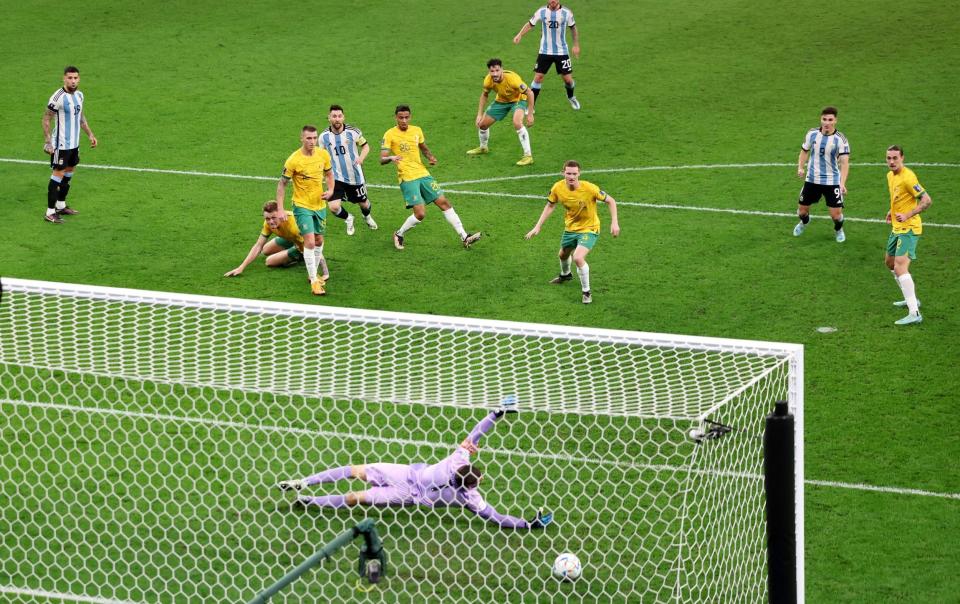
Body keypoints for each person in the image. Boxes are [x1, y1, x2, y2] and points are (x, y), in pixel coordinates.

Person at [278, 400, 553, 530]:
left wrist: (495, 413)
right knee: (355, 489)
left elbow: (476, 433)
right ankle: (306, 491)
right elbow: (497, 517)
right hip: (405, 479)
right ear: (473, 482)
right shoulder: (470, 497)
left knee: (354, 481)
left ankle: (308, 493)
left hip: (405, 491)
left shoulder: (459, 461)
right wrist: (527, 524)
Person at [380, 105, 482, 250]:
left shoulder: (417, 130)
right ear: (395, 117)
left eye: (406, 117)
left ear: (410, 117)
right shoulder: (389, 134)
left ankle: (464, 237)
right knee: (420, 214)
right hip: (407, 178)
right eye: (401, 117)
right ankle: (399, 234)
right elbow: (382, 159)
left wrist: (430, 157)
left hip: (423, 174)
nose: (404, 120)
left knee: (444, 202)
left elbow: (423, 147)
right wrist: (391, 157)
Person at [525, 160, 620, 304]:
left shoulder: (589, 188)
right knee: (563, 254)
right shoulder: (557, 187)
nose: (571, 176)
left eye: (575, 174)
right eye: (568, 173)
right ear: (563, 173)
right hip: (570, 228)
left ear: (579, 174)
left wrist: (614, 222)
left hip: (590, 228)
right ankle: (565, 275)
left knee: (578, 257)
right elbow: (550, 206)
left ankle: (586, 292)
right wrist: (538, 226)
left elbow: (611, 201)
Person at [276, 125, 335, 295]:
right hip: (301, 206)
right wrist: (280, 209)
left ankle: (312, 274)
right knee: (309, 241)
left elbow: (330, 175)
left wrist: (330, 191)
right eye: (308, 138)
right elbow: (282, 184)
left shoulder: (323, 154)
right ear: (301, 138)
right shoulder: (293, 160)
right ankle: (315, 282)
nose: (312, 141)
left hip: (319, 205)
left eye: (315, 138)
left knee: (319, 241)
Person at [42, 66, 98, 224]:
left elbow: (81, 117)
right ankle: (50, 212)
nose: (73, 81)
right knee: (58, 175)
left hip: (74, 144)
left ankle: (60, 205)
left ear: (79, 79)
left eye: (75, 78)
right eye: (70, 78)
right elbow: (46, 119)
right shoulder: (58, 97)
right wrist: (47, 142)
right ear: (64, 78)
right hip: (61, 145)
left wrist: (90, 134)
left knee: (69, 174)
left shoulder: (80, 95)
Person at [884, 146, 932, 326]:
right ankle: (910, 297)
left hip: (909, 228)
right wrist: (892, 210)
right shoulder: (890, 176)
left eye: (895, 158)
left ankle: (915, 313)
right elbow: (899, 198)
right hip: (897, 227)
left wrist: (908, 215)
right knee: (889, 262)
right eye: (888, 158)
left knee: (900, 267)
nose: (891, 162)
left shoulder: (908, 177)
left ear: (902, 158)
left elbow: (926, 200)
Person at [223, 201, 329, 280]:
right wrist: (241, 267)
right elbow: (258, 246)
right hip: (291, 238)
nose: (271, 222)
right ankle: (293, 247)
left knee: (269, 261)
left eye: (273, 217)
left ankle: (299, 255)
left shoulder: (295, 226)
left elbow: (315, 245)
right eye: (267, 219)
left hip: (302, 244)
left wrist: (324, 273)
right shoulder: (268, 224)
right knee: (265, 250)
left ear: (280, 214)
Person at [792, 106, 850, 242]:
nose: (827, 123)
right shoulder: (812, 134)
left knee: (836, 216)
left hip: (831, 182)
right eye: (824, 119)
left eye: (830, 120)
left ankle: (838, 229)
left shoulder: (840, 139)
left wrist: (842, 184)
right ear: (821, 119)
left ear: (835, 120)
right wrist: (800, 167)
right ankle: (804, 222)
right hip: (812, 179)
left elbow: (845, 163)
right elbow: (804, 150)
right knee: (802, 212)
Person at [319, 105, 378, 235]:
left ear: (343, 117)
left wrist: (361, 158)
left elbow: (366, 147)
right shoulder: (323, 137)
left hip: (355, 176)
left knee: (364, 204)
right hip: (336, 177)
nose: (337, 119)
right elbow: (321, 157)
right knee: (333, 207)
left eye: (339, 116)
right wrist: (324, 173)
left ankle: (367, 217)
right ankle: (348, 218)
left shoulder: (353, 132)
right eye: (334, 116)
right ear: (329, 118)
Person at [512, 1, 581, 110]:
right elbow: (530, 24)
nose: (553, 1)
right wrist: (519, 34)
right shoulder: (542, 11)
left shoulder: (567, 13)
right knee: (538, 77)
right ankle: (531, 106)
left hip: (562, 52)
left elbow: (573, 28)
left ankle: (571, 96)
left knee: (568, 80)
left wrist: (576, 45)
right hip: (545, 51)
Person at [466, 58, 536, 166]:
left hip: (518, 100)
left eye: (497, 70)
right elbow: (484, 95)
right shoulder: (488, 80)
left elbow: (530, 93)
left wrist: (530, 114)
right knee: (482, 125)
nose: (494, 74)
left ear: (502, 69)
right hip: (501, 101)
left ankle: (528, 156)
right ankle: (483, 148)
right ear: (489, 71)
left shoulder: (513, 79)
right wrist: (479, 114)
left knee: (517, 122)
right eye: (492, 71)